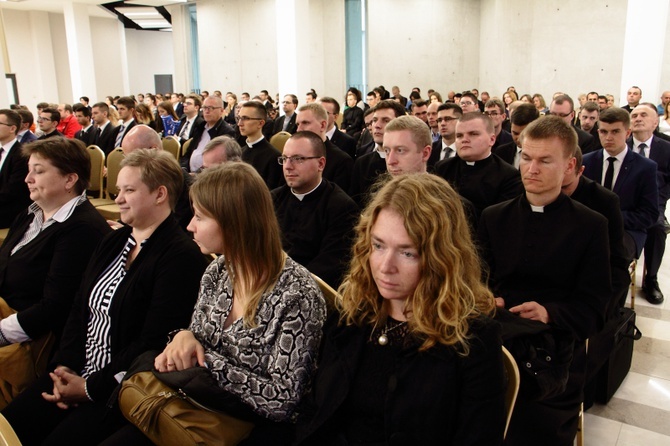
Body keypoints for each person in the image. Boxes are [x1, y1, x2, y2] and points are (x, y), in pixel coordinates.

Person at [107, 162, 327, 444]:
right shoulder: (218, 270)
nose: (189, 225)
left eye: (200, 217)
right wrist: (183, 337)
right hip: (196, 407)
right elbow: (196, 339)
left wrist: (205, 363)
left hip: (244, 429)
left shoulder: (298, 295)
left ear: (234, 222)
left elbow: (283, 401)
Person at [2, 149, 208, 445]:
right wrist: (63, 368)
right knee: (9, 426)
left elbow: (151, 342)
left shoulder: (180, 257)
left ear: (159, 194)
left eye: (129, 190)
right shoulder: (114, 240)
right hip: (76, 371)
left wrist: (87, 388)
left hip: (119, 388)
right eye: (118, 189)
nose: (118, 198)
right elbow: (79, 308)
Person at [295, 173, 505, 445]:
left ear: (440, 258)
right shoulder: (351, 317)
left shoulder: (473, 340)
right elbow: (315, 416)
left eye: (408, 253)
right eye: (378, 246)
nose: (385, 267)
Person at [0, 138, 110, 408]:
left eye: (38, 171)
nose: (27, 178)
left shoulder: (81, 229)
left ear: (70, 179)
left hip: (35, 342)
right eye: (29, 170)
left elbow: (54, 307)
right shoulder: (30, 214)